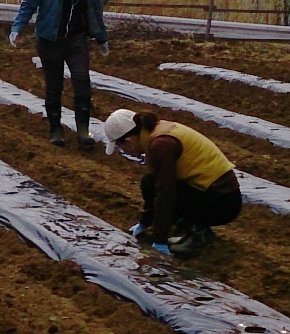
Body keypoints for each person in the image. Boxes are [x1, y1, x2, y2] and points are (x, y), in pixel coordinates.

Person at [8, 0, 109, 148]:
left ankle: (83, 130)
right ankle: (56, 129)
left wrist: (101, 38)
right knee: (54, 85)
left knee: (82, 80)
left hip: (76, 39)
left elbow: (94, 10)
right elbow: (29, 4)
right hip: (50, 39)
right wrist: (18, 27)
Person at [102, 108, 242, 255]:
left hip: (223, 203)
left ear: (129, 141)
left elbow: (165, 192)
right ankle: (193, 230)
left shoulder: (160, 145)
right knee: (149, 182)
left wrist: (160, 240)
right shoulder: (157, 131)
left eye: (121, 147)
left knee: (155, 188)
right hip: (218, 193)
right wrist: (144, 222)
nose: (124, 151)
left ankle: (198, 233)